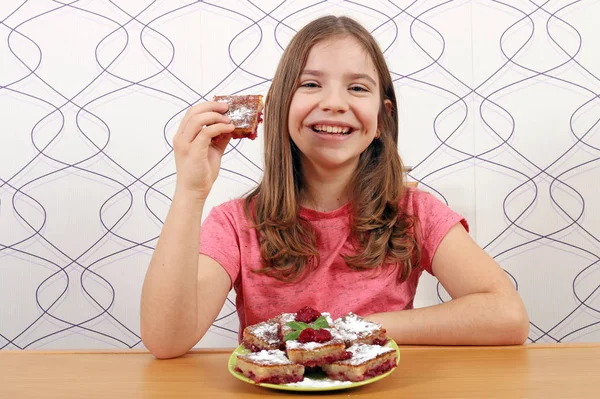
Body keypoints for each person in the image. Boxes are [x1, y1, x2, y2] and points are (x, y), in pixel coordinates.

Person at [140, 15, 529, 359]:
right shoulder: (236, 225)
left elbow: (507, 316)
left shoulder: (414, 212)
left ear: (381, 119)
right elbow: (165, 340)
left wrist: (353, 329)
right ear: (278, 108)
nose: (335, 103)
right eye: (311, 84)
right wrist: (191, 192)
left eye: (357, 89)